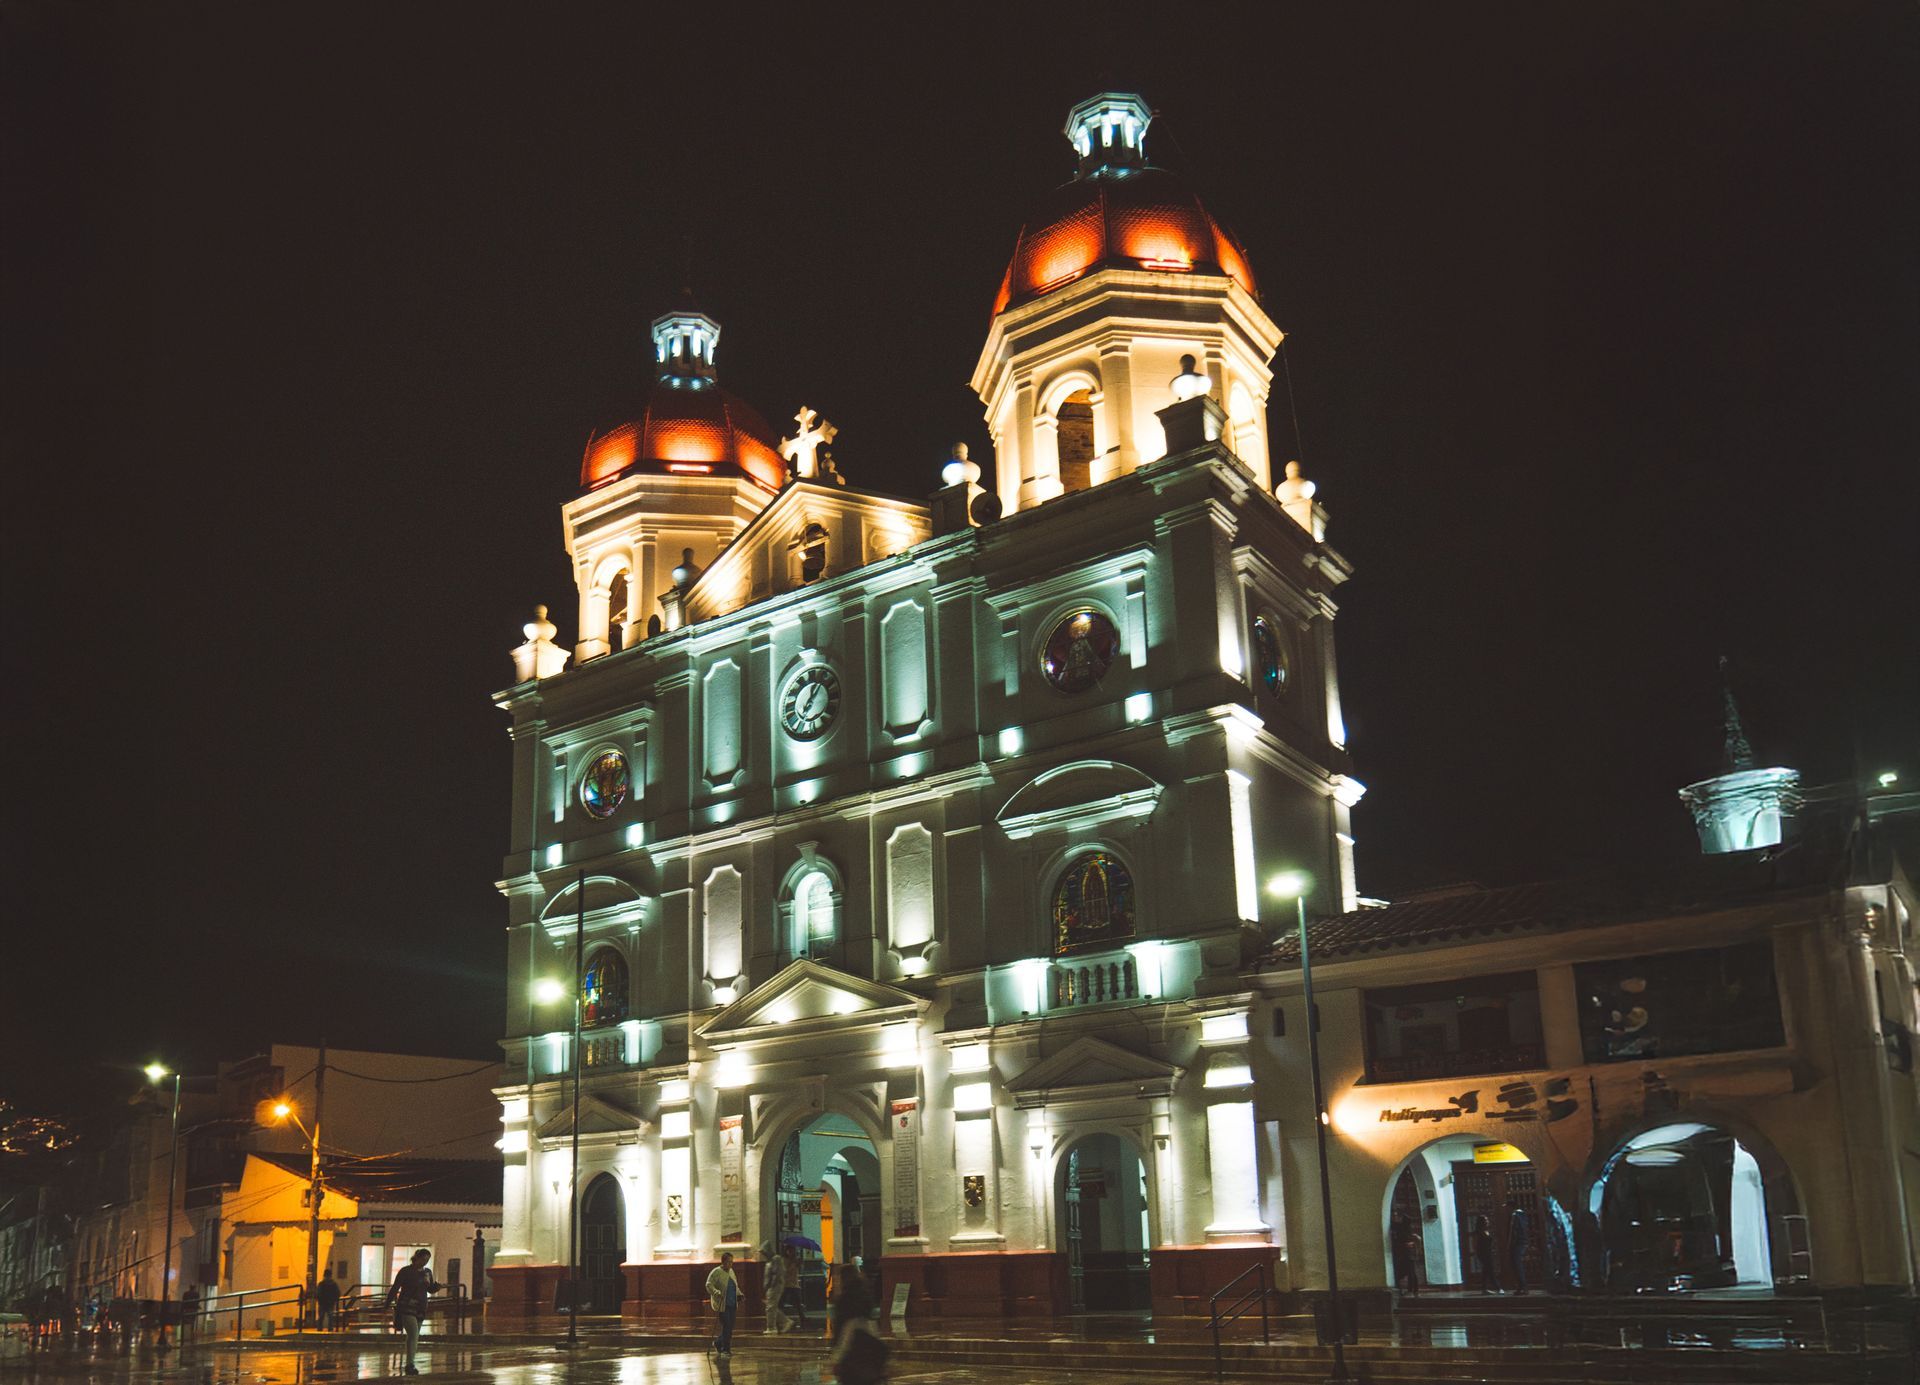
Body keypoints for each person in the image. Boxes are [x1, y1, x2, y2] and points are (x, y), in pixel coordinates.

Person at [386, 1249, 441, 1376]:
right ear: (416, 1258)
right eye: (423, 1259)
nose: (424, 1262)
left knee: (412, 1336)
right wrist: (387, 1304)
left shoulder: (427, 1272)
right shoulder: (406, 1271)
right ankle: (410, 1364)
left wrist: (436, 1287)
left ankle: (410, 1362)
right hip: (407, 1306)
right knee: (414, 1334)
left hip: (421, 1307)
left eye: (427, 1260)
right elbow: (395, 1287)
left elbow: (430, 1289)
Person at [704, 1252, 740, 1360]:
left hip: (732, 1303)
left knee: (730, 1326)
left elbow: (735, 1286)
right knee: (727, 1326)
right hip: (722, 1304)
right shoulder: (716, 1272)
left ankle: (718, 1343)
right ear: (723, 1262)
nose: (730, 1264)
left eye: (732, 1262)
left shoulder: (731, 1272)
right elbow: (709, 1284)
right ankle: (726, 1349)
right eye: (729, 1262)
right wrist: (715, 1292)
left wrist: (739, 1294)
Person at [1389, 1214, 1422, 1297]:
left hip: (1405, 1254)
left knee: (1406, 1272)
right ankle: (1413, 1290)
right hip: (1408, 1254)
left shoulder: (1401, 1229)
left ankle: (1411, 1289)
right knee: (1410, 1272)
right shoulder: (1407, 1230)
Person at [760, 1244, 788, 1334]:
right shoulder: (770, 1260)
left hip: (774, 1287)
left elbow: (776, 1274)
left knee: (770, 1307)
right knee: (771, 1306)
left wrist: (771, 1286)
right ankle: (786, 1321)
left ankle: (771, 1327)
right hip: (770, 1287)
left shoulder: (776, 1259)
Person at [1470, 1214, 1501, 1293]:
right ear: (1481, 1222)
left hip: (1489, 1252)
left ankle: (1484, 1288)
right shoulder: (1478, 1232)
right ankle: (1498, 1287)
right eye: (1485, 1220)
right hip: (1482, 1253)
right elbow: (1475, 1243)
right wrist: (1476, 1252)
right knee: (1490, 1270)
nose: (1487, 1221)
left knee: (1486, 1270)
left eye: (1487, 1220)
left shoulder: (1487, 1231)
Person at [780, 1249, 808, 1331]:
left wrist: (798, 1263)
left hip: (794, 1284)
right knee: (781, 1303)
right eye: (790, 1250)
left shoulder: (796, 1260)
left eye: (792, 1251)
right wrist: (792, 1264)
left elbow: (797, 1270)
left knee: (798, 1303)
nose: (791, 1252)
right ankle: (781, 1319)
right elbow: (784, 1271)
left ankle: (803, 1318)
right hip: (785, 1285)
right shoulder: (784, 1260)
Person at [1507, 1205, 1532, 1294]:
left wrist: (1509, 1244)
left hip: (1517, 1243)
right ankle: (1522, 1287)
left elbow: (1513, 1231)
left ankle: (1522, 1286)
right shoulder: (1523, 1215)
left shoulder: (1514, 1215)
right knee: (1519, 1264)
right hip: (1524, 1242)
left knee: (1517, 1265)